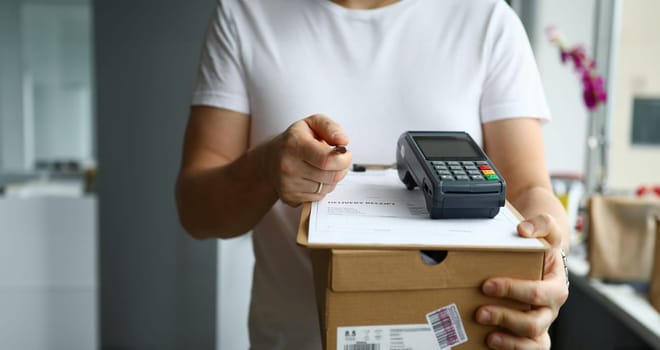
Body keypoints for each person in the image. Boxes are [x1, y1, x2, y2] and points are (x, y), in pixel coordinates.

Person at [175, 0, 570, 349]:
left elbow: (530, 190)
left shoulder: (488, 20)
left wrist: (552, 258)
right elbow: (196, 210)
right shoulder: (244, 14)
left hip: (467, 331)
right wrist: (266, 168)